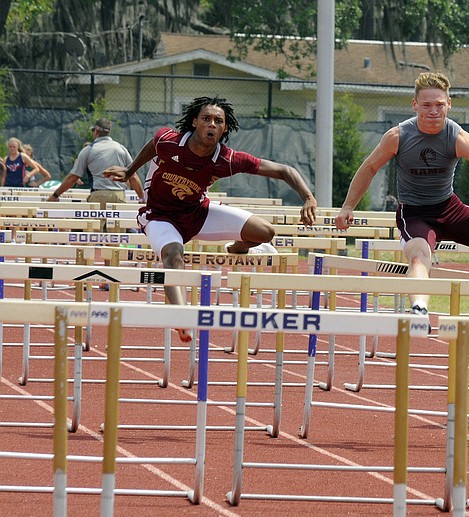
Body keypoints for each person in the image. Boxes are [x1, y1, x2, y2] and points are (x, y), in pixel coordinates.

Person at [104, 96, 318, 342]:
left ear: (224, 128)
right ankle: (181, 316)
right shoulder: (169, 141)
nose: (212, 124)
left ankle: (237, 249)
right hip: (161, 217)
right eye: (206, 119)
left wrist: (308, 197)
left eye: (218, 121)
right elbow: (153, 144)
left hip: (199, 213)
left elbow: (284, 171)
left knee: (265, 232)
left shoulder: (226, 159)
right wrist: (130, 170)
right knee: (173, 257)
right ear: (195, 122)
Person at [333, 71, 469, 315]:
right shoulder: (398, 136)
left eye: (439, 105)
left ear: (449, 105)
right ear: (414, 105)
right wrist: (348, 206)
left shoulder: (457, 137)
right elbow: (369, 167)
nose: (433, 111)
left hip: (450, 208)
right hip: (415, 214)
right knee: (419, 257)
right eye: (426, 105)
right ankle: (418, 309)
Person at [49, 118, 145, 204]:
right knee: (116, 224)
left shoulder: (89, 150)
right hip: (119, 195)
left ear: (96, 132)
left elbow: (73, 177)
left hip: (99, 194)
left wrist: (55, 195)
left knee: (95, 224)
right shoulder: (121, 148)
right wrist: (142, 198)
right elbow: (133, 176)